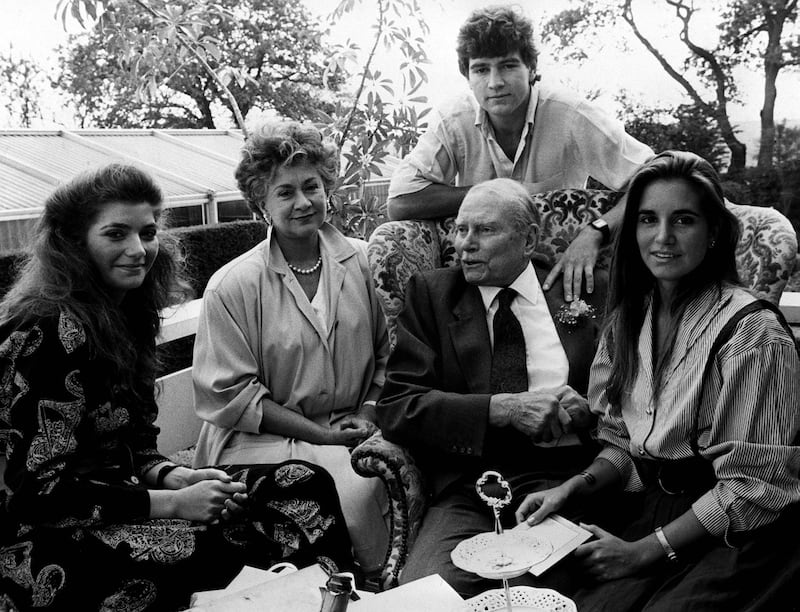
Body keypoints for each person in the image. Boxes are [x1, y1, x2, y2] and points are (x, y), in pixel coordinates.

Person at [0, 164, 354, 611]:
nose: (138, 249)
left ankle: (334, 603)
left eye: (147, 233)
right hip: (42, 540)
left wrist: (177, 475)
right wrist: (172, 503)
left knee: (300, 483)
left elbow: (136, 446)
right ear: (74, 243)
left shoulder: (125, 317)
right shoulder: (46, 331)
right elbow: (39, 494)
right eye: (115, 234)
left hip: (124, 499)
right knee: (217, 549)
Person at [515, 151, 800, 611]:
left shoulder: (753, 335)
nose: (662, 237)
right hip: (652, 507)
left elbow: (753, 488)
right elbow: (625, 443)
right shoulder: (630, 318)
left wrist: (640, 553)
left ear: (713, 234)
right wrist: (575, 485)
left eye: (683, 220)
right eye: (648, 219)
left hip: (739, 531)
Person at [377, 178, 606, 597]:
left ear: (528, 238)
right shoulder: (433, 294)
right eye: (461, 229)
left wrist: (590, 408)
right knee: (426, 594)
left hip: (561, 481)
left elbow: (638, 388)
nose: (464, 244)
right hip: (469, 485)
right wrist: (500, 408)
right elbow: (397, 406)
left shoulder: (584, 290)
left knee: (531, 590)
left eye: (484, 230)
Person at [192, 120, 391, 574]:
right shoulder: (232, 285)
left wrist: (368, 410)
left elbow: (389, 352)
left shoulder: (365, 262)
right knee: (349, 493)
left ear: (328, 189)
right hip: (257, 440)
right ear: (260, 202)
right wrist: (321, 435)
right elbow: (232, 395)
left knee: (381, 476)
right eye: (284, 192)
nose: (303, 202)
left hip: (351, 424)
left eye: (311, 186)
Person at [387, 5, 653, 302]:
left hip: (556, 275)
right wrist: (495, 195)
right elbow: (400, 202)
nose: (495, 82)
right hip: (480, 279)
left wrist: (596, 231)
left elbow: (655, 177)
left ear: (532, 69)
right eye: (481, 69)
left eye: (508, 65)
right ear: (466, 75)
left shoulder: (570, 114)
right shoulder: (453, 120)